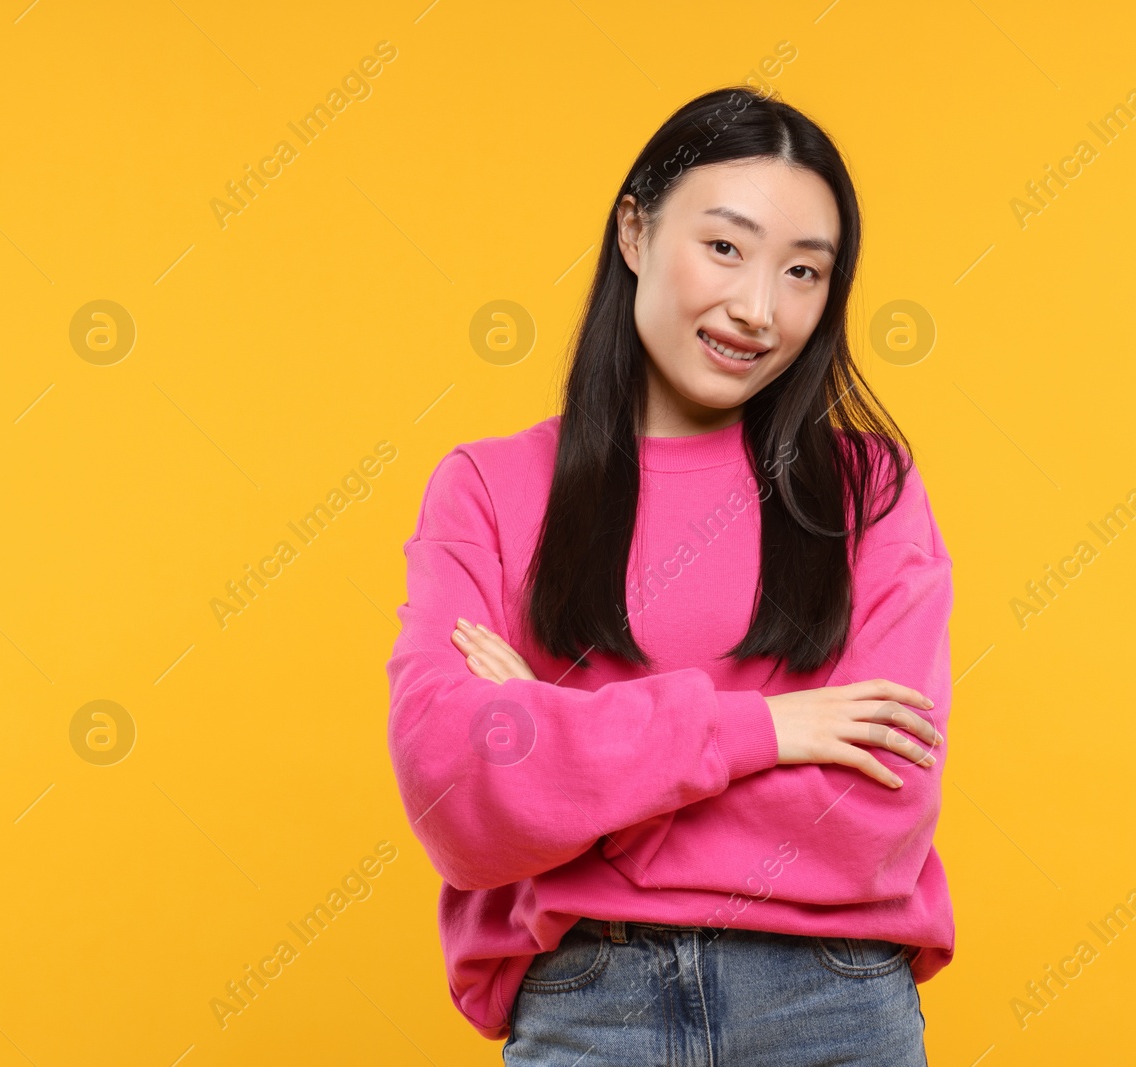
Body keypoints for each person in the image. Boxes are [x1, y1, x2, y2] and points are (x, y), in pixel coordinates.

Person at [385, 85, 954, 1066]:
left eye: (803, 271)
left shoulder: (869, 489)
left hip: (832, 1012)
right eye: (725, 247)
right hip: (591, 1012)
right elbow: (456, 796)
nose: (757, 308)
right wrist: (767, 728)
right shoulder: (487, 487)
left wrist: (566, 772)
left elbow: (872, 812)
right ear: (636, 231)